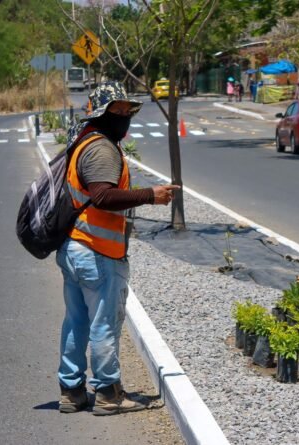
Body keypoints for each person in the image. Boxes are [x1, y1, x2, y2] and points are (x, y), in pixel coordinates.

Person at [57, 81, 180, 415]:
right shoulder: (101, 149)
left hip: (76, 247)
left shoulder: (85, 141)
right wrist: (150, 195)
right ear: (102, 113)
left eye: (127, 110)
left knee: (76, 321)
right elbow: (102, 196)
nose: (124, 116)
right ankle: (108, 393)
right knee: (103, 324)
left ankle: (71, 391)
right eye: (118, 110)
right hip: (97, 252)